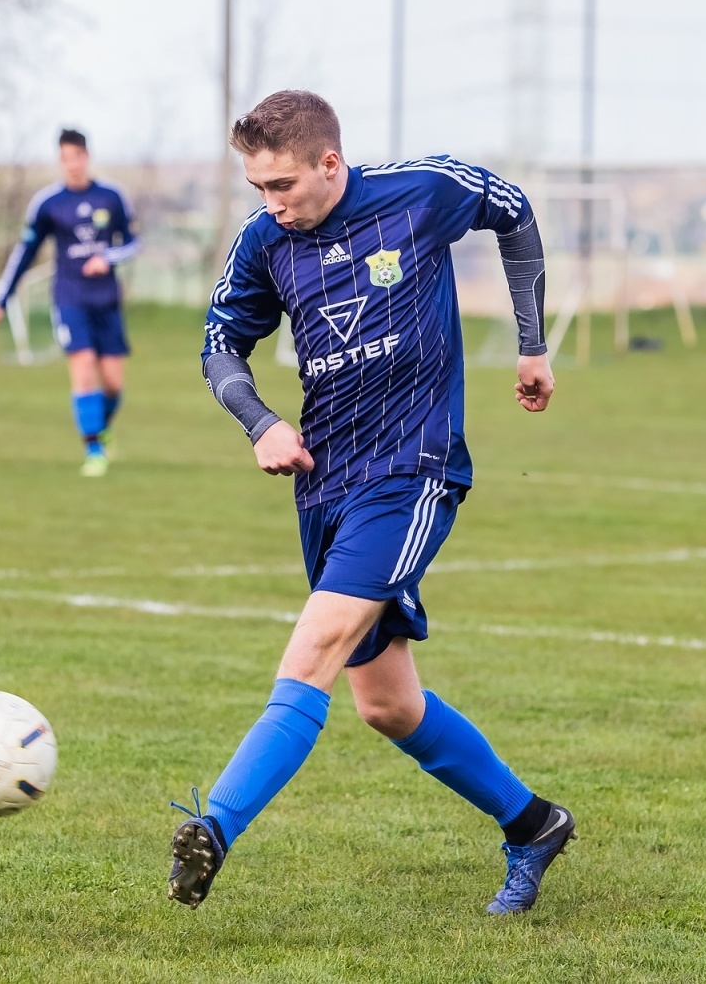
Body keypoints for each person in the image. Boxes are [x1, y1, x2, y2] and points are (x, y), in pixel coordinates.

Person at [170, 90, 570, 916]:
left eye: (282, 184)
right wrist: (259, 422)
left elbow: (514, 211)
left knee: (314, 644)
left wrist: (531, 344)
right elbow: (218, 345)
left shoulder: (419, 192)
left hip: (412, 470)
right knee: (388, 706)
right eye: (257, 189)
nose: (271, 203)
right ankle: (534, 824)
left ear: (329, 162)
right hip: (326, 481)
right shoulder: (264, 245)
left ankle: (213, 827)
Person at [0, 130, 140, 477]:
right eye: (65, 158)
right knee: (83, 371)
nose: (71, 164)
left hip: (107, 301)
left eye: (77, 156)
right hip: (70, 299)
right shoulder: (48, 203)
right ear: (61, 161)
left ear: (86, 157)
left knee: (113, 384)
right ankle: (94, 450)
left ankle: (100, 426)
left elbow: (132, 243)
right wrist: (1, 299)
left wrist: (108, 257)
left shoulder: (112, 196)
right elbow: (25, 252)